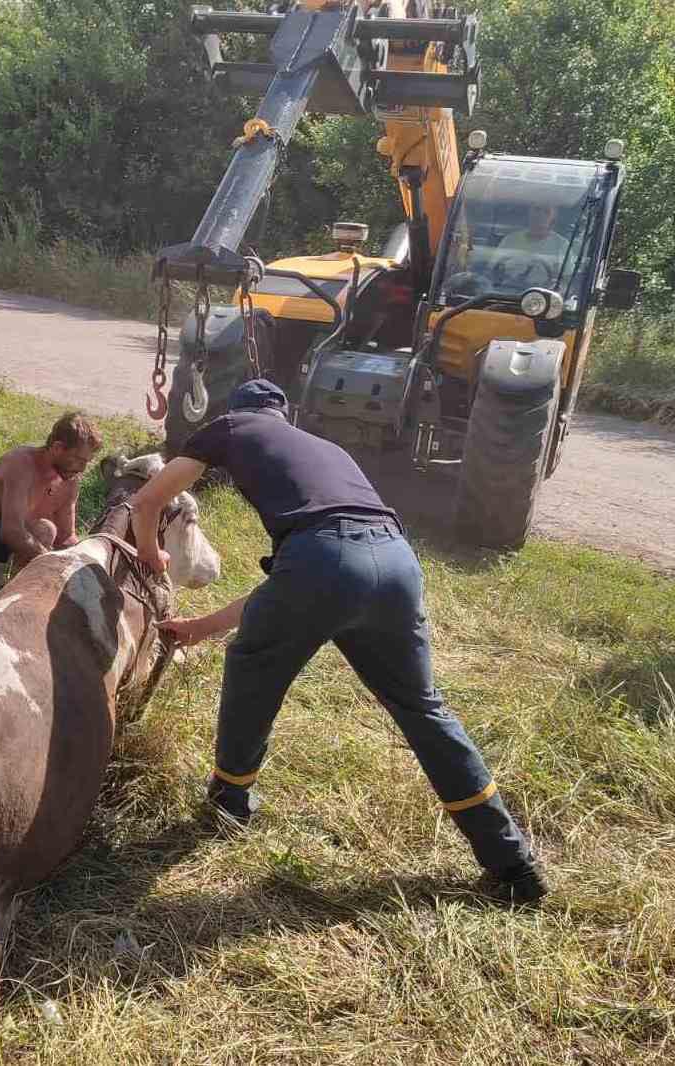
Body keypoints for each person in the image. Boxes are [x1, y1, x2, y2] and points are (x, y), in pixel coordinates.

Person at [128, 379, 546, 903]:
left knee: (253, 670)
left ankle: (230, 798)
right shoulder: (326, 451)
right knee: (424, 709)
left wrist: (151, 555)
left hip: (321, 559)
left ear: (240, 413)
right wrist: (196, 628)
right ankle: (512, 863)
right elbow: (292, 588)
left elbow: (148, 502)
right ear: (284, 415)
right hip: (396, 562)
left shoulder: (230, 426)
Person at [0, 412, 102, 569]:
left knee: (66, 547)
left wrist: (85, 565)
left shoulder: (70, 481)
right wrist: (49, 563)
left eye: (86, 462)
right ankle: (12, 590)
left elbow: (66, 537)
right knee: (45, 529)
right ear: (57, 448)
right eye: (78, 459)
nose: (82, 468)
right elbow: (11, 532)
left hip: (4, 541)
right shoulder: (21, 463)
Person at [494, 202, 567, 288]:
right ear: (529, 212)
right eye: (537, 209)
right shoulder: (510, 240)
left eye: (547, 212)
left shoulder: (561, 245)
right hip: (506, 291)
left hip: (542, 296)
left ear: (553, 217)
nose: (540, 215)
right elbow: (492, 270)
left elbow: (567, 280)